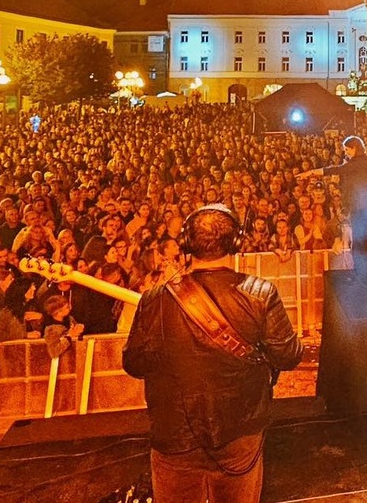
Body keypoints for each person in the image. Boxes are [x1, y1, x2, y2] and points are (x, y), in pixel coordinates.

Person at [123, 204, 303, 503]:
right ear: (236, 243)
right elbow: (289, 356)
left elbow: (133, 363)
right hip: (240, 432)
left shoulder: (154, 298)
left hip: (174, 433)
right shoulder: (260, 293)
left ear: (185, 244)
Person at [297, 136, 367, 272]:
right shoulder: (361, 162)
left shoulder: (360, 163)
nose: (346, 152)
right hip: (362, 204)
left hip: (363, 205)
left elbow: (335, 169)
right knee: (359, 236)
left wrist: (311, 173)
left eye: (347, 150)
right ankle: (362, 267)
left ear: (355, 148)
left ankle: (362, 269)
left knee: (358, 236)